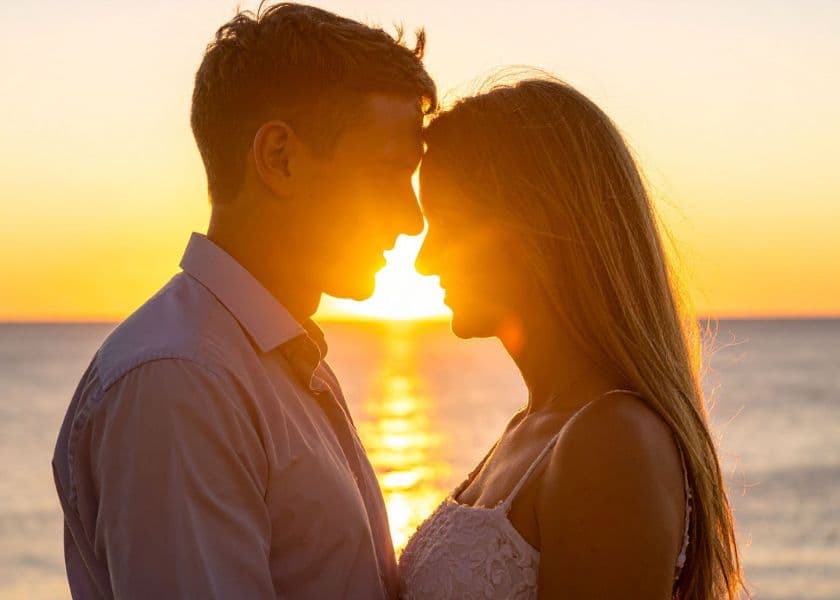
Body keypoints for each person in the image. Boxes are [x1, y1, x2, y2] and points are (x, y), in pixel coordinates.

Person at [51, 4, 436, 598]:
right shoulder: (181, 381)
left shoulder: (271, 361)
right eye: (388, 173)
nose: (412, 220)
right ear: (278, 158)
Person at [399, 75, 745, 599]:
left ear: (529, 228)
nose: (425, 261)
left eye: (447, 224)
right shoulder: (532, 428)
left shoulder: (612, 441)